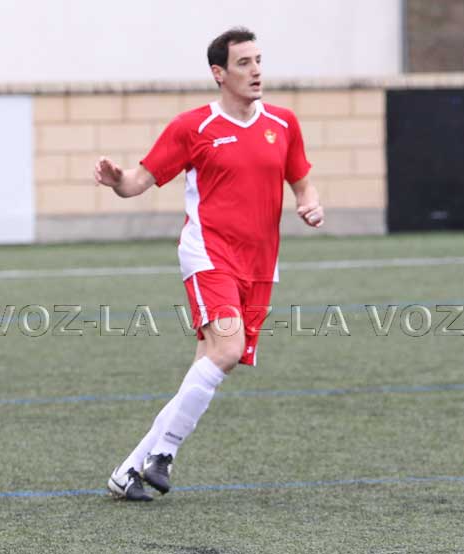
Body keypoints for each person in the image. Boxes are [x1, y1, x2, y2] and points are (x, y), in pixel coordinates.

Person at [94, 27, 324, 501]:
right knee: (228, 348)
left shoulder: (282, 123)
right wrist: (117, 181)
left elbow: (302, 181)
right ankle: (165, 453)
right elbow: (137, 182)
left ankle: (129, 470)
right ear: (219, 73)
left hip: (260, 264)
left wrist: (310, 203)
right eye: (244, 63)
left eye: (258, 60)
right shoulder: (193, 127)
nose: (256, 71)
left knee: (211, 364)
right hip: (208, 254)